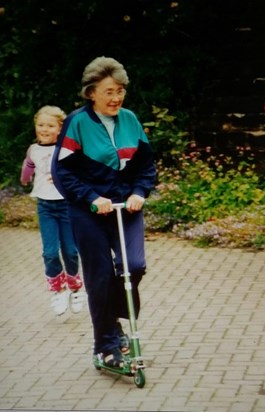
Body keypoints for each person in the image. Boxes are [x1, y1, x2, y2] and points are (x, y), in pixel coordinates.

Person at [51, 57, 156, 368]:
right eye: (109, 91)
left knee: (132, 266)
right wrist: (91, 197)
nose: (116, 98)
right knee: (99, 277)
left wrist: (139, 191)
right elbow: (63, 172)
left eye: (120, 90)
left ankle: (115, 324)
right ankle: (106, 344)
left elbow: (146, 166)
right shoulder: (77, 122)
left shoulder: (131, 120)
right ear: (91, 93)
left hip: (126, 207)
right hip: (89, 211)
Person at [20, 105, 85, 316]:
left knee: (70, 251)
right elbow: (29, 165)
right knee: (49, 252)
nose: (44, 129)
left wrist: (63, 177)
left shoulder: (65, 149)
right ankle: (58, 289)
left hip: (66, 205)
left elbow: (79, 170)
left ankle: (75, 287)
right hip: (45, 206)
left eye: (50, 125)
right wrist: (25, 178)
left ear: (60, 129)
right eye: (40, 125)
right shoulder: (34, 149)